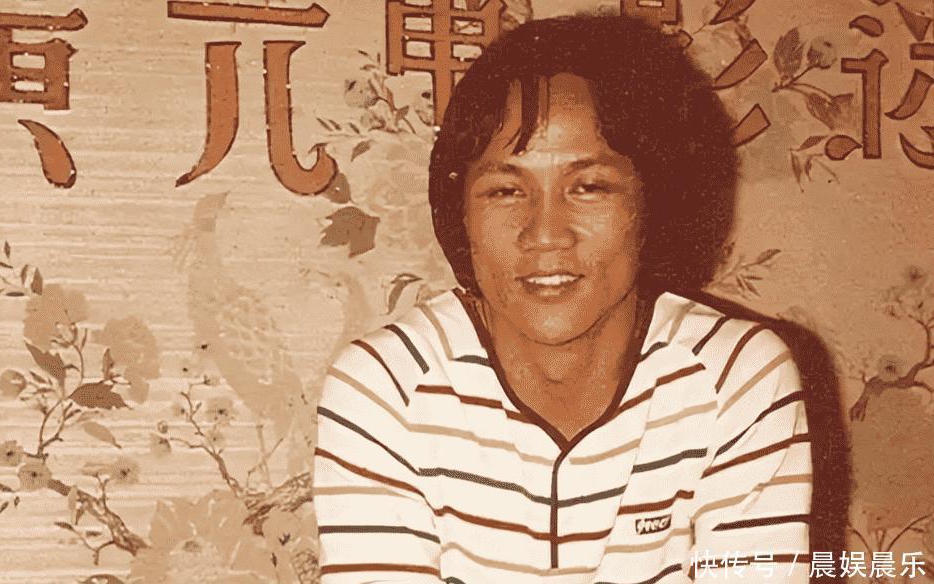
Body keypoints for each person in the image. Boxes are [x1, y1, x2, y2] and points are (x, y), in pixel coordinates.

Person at [313, 14, 812, 584]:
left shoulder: (735, 379)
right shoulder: (386, 389)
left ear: (651, 202)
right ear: (461, 212)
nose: (545, 233)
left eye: (589, 187)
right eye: (506, 190)